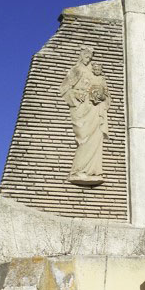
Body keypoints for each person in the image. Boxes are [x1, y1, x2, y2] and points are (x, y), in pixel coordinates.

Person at [59, 48, 110, 186]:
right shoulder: (76, 70)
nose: (88, 57)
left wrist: (101, 97)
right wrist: (75, 97)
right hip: (81, 110)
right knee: (83, 138)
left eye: (90, 55)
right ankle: (77, 171)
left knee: (95, 138)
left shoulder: (95, 73)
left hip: (94, 109)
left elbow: (105, 94)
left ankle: (93, 171)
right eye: (86, 55)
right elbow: (64, 89)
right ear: (81, 55)